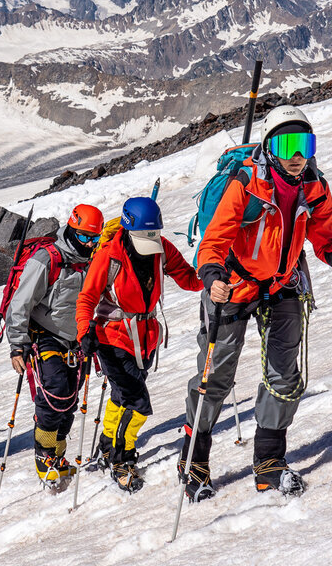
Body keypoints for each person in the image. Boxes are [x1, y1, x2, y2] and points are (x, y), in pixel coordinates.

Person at [182, 105, 332, 501]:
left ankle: (269, 463)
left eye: (304, 143)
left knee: (285, 377)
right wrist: (213, 277)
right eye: (287, 144)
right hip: (232, 286)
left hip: (283, 284)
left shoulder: (315, 187)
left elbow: (323, 242)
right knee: (214, 377)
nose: (297, 155)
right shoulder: (246, 184)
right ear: (271, 147)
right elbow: (213, 242)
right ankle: (193, 461)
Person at [76, 196, 202, 493]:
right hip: (111, 337)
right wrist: (84, 333)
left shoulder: (160, 249)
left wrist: (217, 274)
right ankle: (122, 459)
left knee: (122, 395)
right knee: (138, 404)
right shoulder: (109, 256)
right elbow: (86, 298)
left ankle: (107, 446)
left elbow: (188, 278)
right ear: (129, 230)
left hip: (145, 338)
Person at [6, 203, 104, 488]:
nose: (90, 243)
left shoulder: (91, 259)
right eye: (85, 237)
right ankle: (44, 455)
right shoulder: (47, 259)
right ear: (72, 229)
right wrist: (17, 345)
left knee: (70, 400)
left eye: (94, 238)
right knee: (55, 395)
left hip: (78, 338)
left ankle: (58, 456)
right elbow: (20, 304)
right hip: (45, 335)